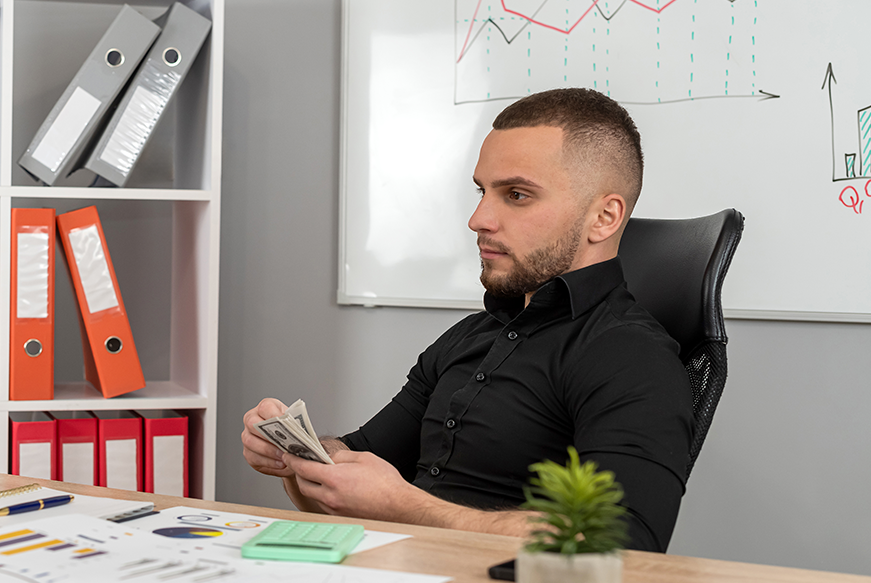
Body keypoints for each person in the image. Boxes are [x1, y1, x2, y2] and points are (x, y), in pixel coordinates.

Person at [241, 88, 693, 553]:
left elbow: (623, 543)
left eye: (516, 195)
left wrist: (403, 508)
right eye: (482, 192)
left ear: (603, 216)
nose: (478, 219)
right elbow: (359, 468)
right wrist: (299, 457)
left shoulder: (631, 356)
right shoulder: (472, 336)